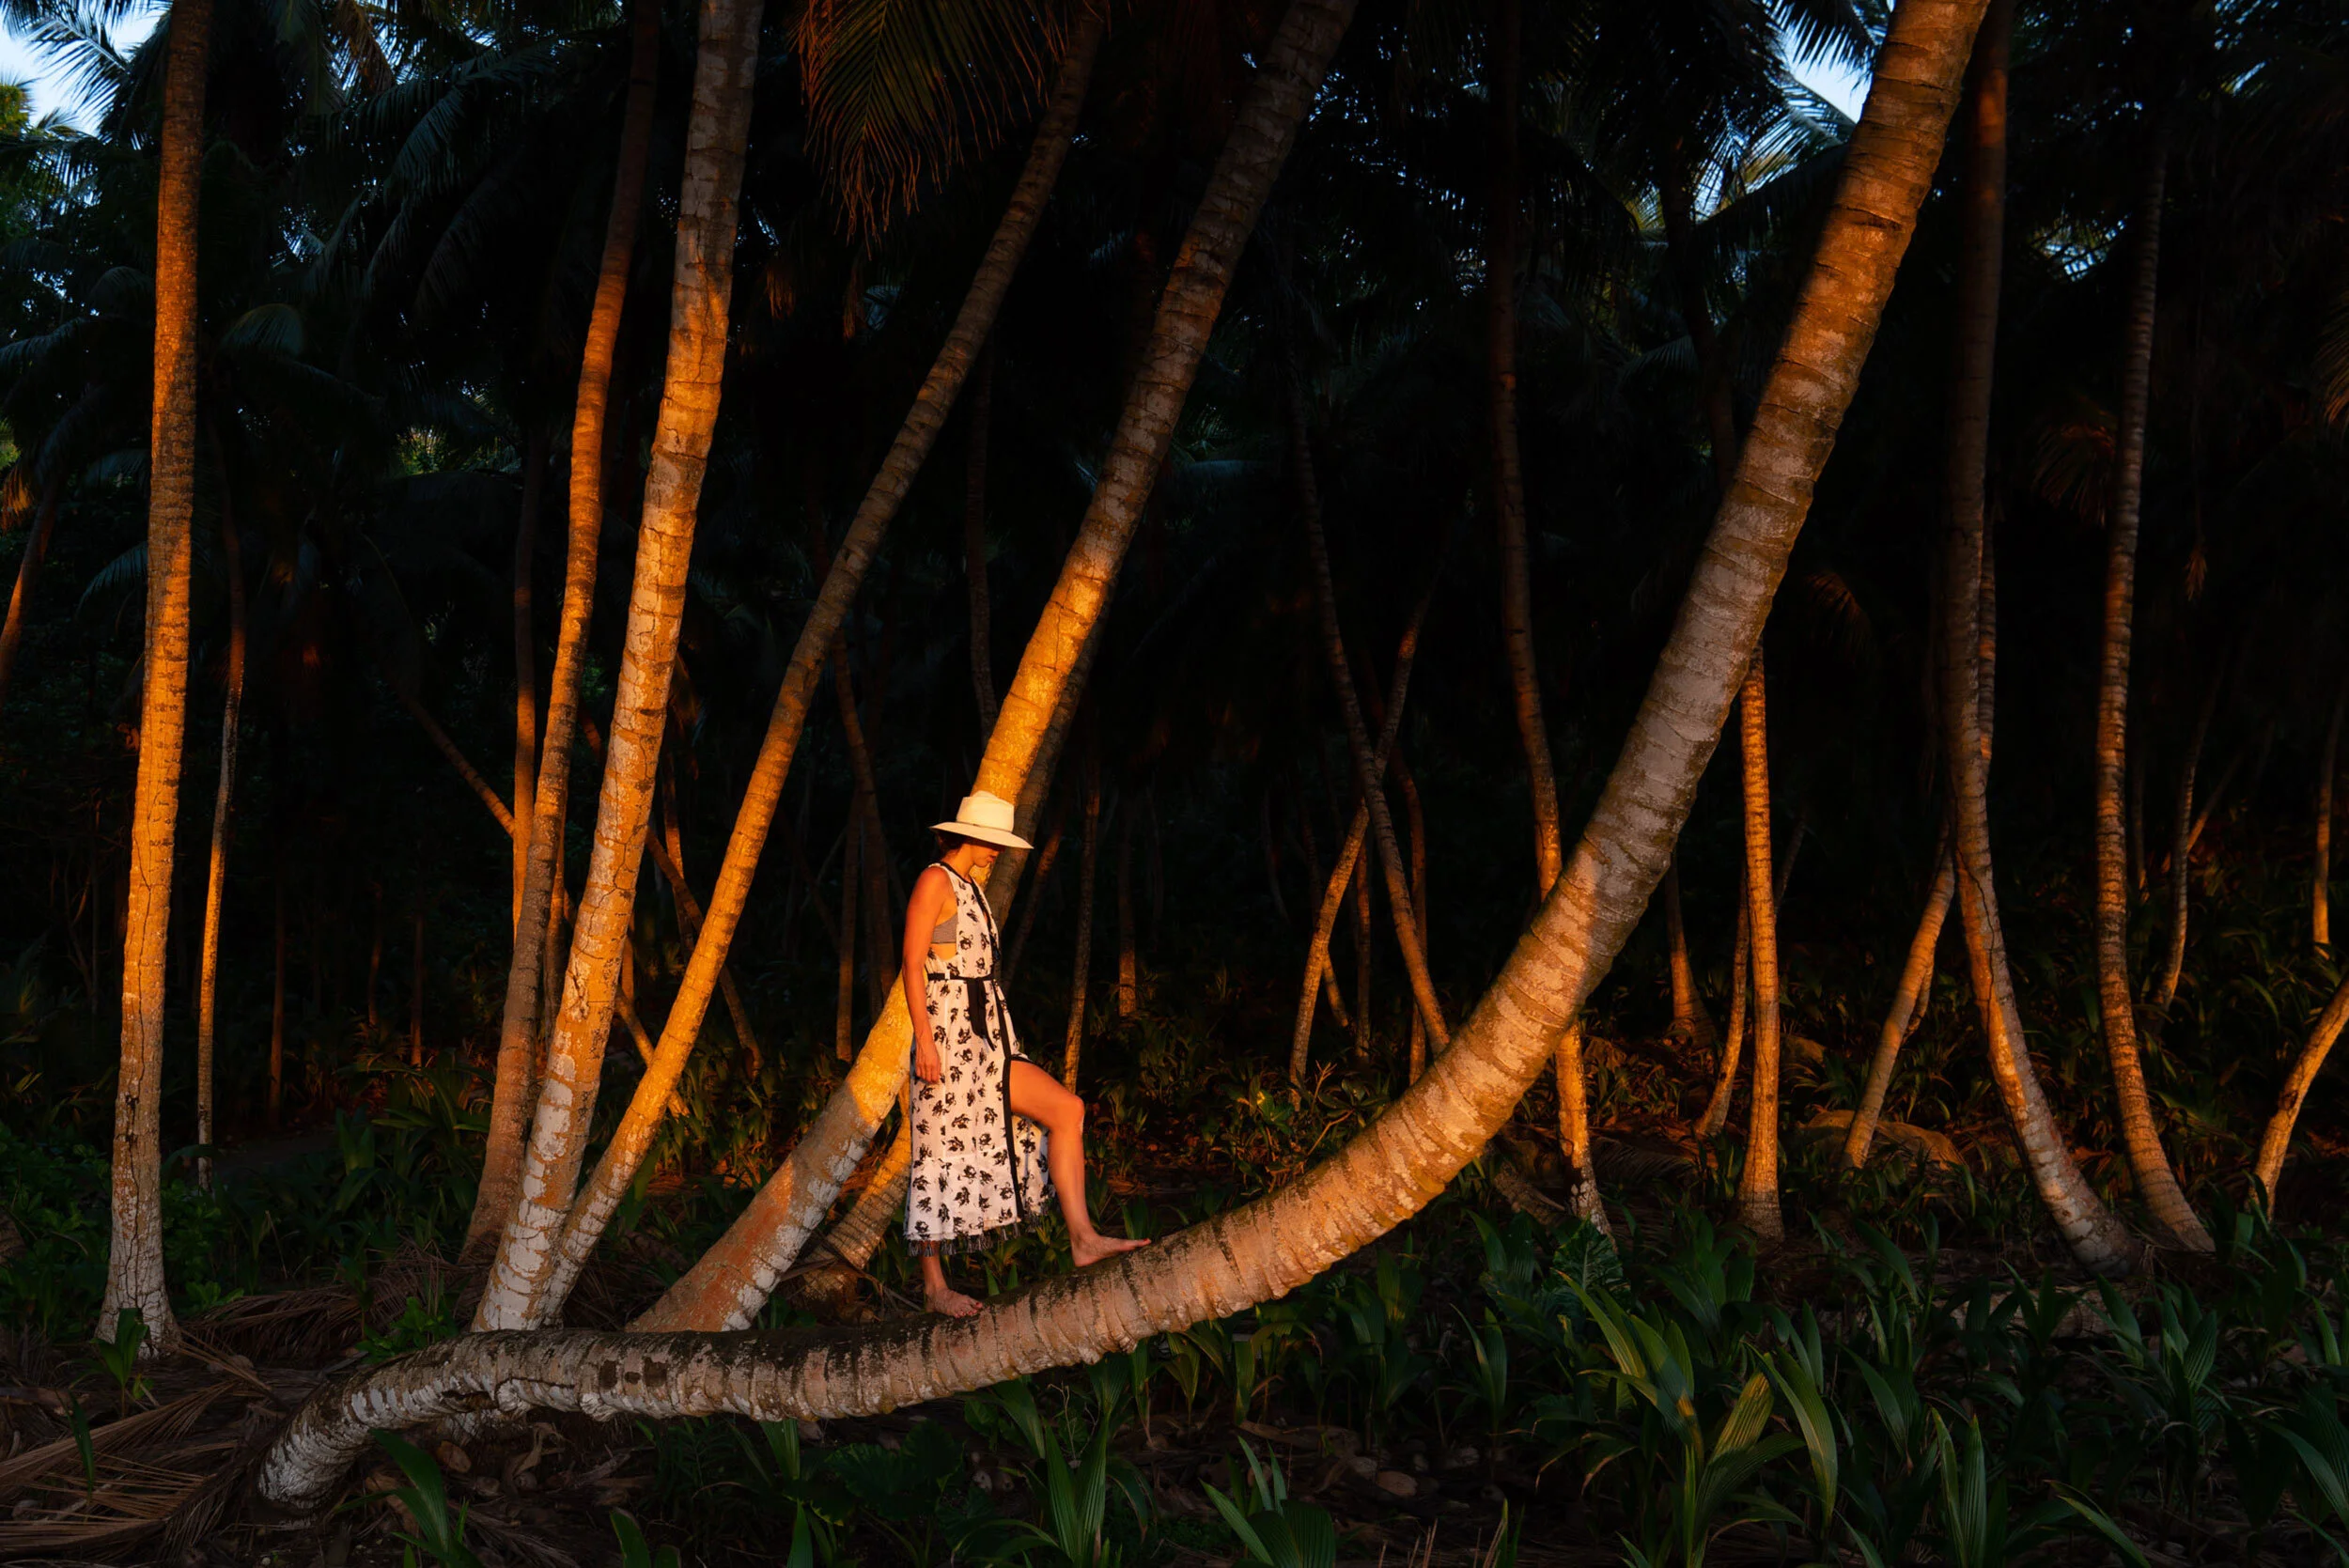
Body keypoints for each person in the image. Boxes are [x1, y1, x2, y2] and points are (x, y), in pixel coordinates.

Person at [900, 789, 1148, 1316]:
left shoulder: (974, 888)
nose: (998, 852)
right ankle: (934, 1286)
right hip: (946, 1037)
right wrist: (923, 1037)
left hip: (989, 1037)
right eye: (994, 842)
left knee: (1068, 1110)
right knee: (937, 1152)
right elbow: (910, 961)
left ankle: (1082, 1238)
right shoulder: (934, 880)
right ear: (970, 835)